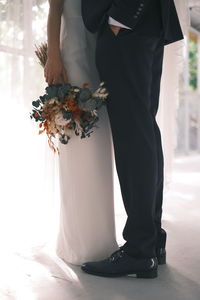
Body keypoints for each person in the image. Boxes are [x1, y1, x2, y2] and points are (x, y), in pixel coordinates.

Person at [80, 0, 184, 278]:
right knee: (143, 132)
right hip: (143, 23)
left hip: (129, 23)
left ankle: (140, 250)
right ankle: (151, 241)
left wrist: (121, 18)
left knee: (134, 138)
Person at [44, 0, 119, 265]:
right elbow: (55, 9)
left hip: (100, 56)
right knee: (78, 143)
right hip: (73, 56)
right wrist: (54, 55)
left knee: (99, 146)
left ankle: (101, 239)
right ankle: (79, 241)